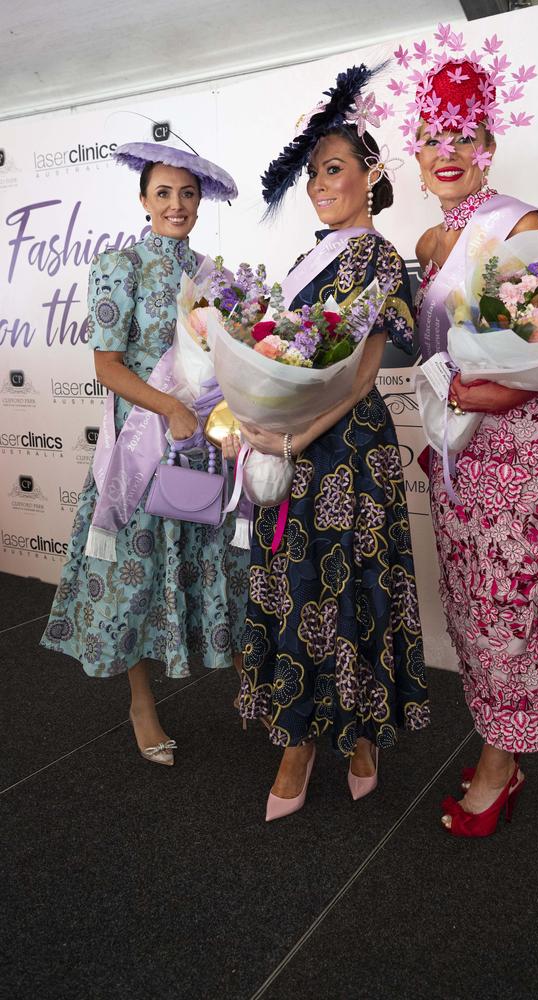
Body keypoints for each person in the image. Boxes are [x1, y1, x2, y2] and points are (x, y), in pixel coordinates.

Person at [233, 65, 431, 820]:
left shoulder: (378, 257)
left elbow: (358, 376)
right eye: (313, 170)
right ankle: (297, 738)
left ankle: (360, 734)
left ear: (370, 176)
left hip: (345, 450)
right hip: (288, 446)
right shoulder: (298, 264)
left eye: (335, 168)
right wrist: (253, 423)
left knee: (351, 594)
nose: (320, 182)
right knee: (295, 593)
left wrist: (289, 436)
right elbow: (276, 362)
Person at [405, 39, 538, 835]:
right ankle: (497, 743)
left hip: (517, 451)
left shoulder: (516, 222)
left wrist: (487, 389)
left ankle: (503, 769)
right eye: (434, 136)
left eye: (463, 136)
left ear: (488, 146)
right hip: (457, 453)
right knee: (473, 607)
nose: (448, 152)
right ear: (416, 148)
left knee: (511, 608)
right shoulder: (431, 243)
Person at [41, 142, 248, 766]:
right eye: (164, 193)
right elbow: (107, 367)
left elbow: (224, 364)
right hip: (141, 445)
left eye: (187, 194)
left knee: (211, 565)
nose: (177, 204)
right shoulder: (119, 266)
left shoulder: (214, 276)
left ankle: (247, 688)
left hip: (200, 446)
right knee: (133, 577)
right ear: (144, 200)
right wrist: (170, 409)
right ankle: (140, 703)